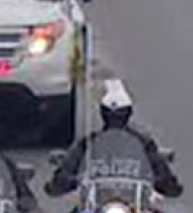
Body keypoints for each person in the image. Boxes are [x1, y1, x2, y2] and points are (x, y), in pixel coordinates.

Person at [45, 84, 182, 198]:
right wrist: (64, 180)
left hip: (134, 205)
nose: (115, 119)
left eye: (119, 115)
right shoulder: (89, 143)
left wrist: (166, 182)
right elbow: (69, 166)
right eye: (112, 115)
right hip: (97, 204)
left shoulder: (143, 143)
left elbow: (159, 168)